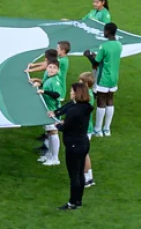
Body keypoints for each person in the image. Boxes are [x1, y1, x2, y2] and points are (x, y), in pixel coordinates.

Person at [56, 82, 94, 210]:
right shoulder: (86, 107)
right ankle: (78, 201)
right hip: (83, 143)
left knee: (74, 175)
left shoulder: (74, 110)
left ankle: (72, 202)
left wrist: (57, 124)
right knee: (80, 173)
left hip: (73, 145)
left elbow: (65, 127)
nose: (70, 93)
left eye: (72, 91)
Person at [87, 22, 122, 138]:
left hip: (104, 77)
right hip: (114, 77)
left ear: (107, 31)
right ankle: (107, 129)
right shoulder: (119, 45)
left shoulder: (104, 46)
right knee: (110, 100)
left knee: (101, 101)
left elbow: (96, 62)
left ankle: (98, 129)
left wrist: (88, 55)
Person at [31, 55, 65, 167]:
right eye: (50, 67)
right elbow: (44, 84)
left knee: (53, 132)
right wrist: (37, 83)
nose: (51, 69)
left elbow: (57, 94)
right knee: (49, 133)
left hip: (53, 111)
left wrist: (44, 91)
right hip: (48, 109)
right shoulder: (49, 78)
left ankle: (55, 158)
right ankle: (49, 154)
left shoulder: (55, 81)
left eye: (54, 68)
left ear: (58, 70)